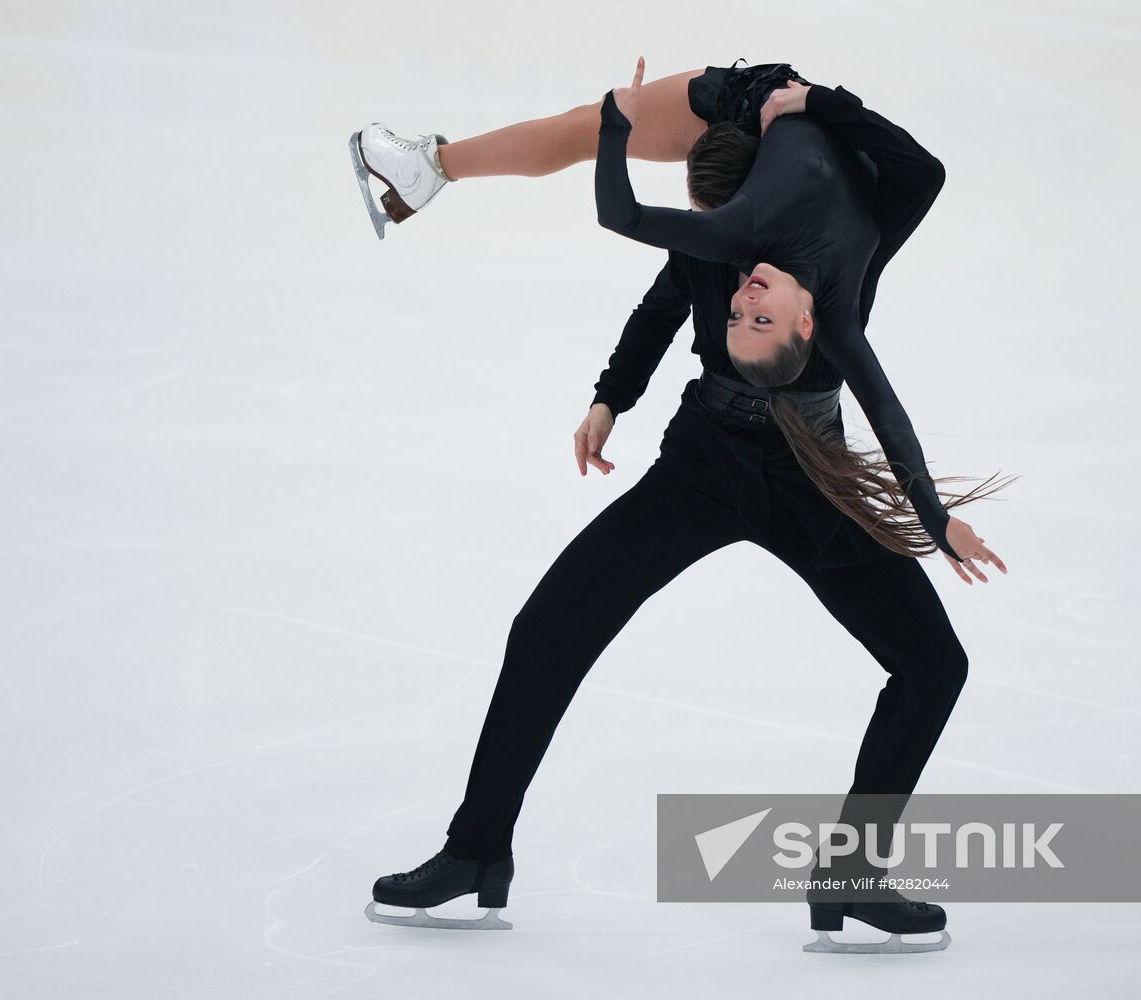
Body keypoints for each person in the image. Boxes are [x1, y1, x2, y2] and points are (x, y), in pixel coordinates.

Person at [361, 60, 1012, 952]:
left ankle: (854, 872)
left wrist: (936, 521)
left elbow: (912, 200)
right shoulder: (717, 244)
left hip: (811, 477)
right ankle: (475, 850)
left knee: (933, 663)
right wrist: (609, 397)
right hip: (704, 461)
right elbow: (663, 302)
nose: (732, 270)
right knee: (549, 626)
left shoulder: (837, 273)